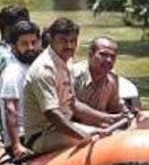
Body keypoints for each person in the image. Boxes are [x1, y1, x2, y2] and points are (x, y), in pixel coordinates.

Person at [19, 17, 97, 155]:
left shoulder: (67, 62)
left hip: (60, 128)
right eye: (63, 41)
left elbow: (73, 103)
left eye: (73, 41)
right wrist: (82, 135)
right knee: (97, 142)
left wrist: (109, 118)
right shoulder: (44, 69)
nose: (69, 46)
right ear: (51, 39)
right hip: (41, 135)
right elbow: (51, 113)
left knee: (105, 133)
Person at [72, 36, 149, 129]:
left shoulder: (112, 79)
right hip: (71, 126)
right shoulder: (73, 75)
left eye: (112, 56)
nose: (108, 60)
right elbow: (72, 105)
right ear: (90, 55)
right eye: (103, 55)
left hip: (98, 125)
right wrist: (106, 118)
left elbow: (115, 107)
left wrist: (130, 114)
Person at [0, 19, 41, 161]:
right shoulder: (13, 72)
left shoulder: (35, 67)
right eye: (24, 44)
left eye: (33, 42)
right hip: (23, 136)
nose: (31, 48)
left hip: (36, 130)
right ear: (14, 48)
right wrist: (16, 146)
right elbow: (10, 109)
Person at [0, 3, 30, 139]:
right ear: (8, 29)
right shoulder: (6, 59)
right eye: (23, 26)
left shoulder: (20, 54)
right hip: (14, 132)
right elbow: (10, 105)